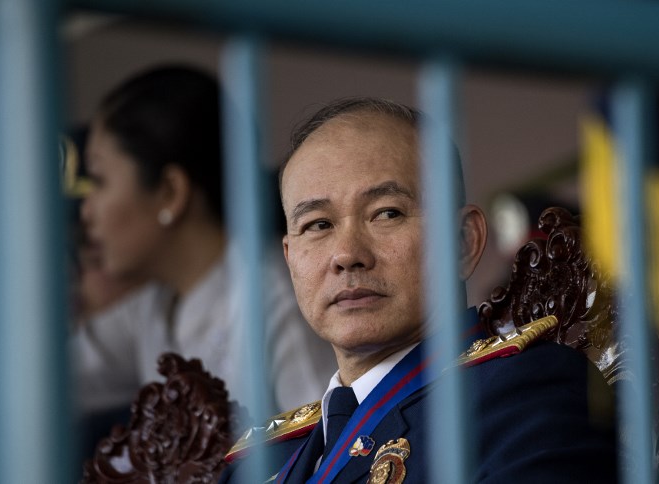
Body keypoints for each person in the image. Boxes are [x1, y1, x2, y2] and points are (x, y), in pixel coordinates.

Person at [219, 98, 618, 483]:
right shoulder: (258, 462)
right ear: (290, 258)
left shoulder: (520, 394)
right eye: (318, 225)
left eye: (387, 213)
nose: (346, 255)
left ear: (463, 242)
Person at [72, 65, 336, 422]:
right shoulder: (154, 306)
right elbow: (45, 377)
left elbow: (331, 448)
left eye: (100, 181)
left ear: (170, 192)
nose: (86, 211)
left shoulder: (277, 301)